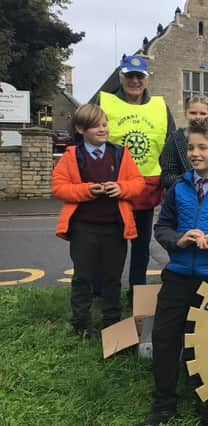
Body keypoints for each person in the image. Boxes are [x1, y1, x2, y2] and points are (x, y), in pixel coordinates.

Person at [142, 118, 208, 425]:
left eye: (203, 147)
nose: (194, 153)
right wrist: (177, 239)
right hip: (178, 275)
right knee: (165, 339)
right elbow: (161, 227)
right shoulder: (178, 188)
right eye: (191, 147)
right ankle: (164, 405)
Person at [51, 104, 144, 336]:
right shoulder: (72, 156)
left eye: (105, 125)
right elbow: (59, 187)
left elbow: (138, 183)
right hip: (84, 227)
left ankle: (112, 321)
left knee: (113, 276)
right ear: (81, 129)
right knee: (83, 276)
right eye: (96, 126)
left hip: (115, 227)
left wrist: (120, 187)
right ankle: (81, 323)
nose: (103, 130)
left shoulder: (120, 153)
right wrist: (87, 190)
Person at [95, 54, 176, 302]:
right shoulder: (105, 102)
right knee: (111, 244)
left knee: (141, 246)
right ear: (121, 76)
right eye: (129, 76)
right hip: (113, 186)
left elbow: (172, 144)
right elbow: (83, 130)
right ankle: (105, 293)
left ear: (146, 79)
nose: (134, 81)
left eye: (139, 77)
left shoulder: (160, 106)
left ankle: (136, 294)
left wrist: (169, 179)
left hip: (145, 187)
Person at [160, 94, 208, 189]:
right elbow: (167, 177)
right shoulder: (175, 139)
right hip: (183, 195)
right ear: (185, 114)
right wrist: (190, 179)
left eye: (203, 113)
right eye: (192, 113)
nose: (197, 117)